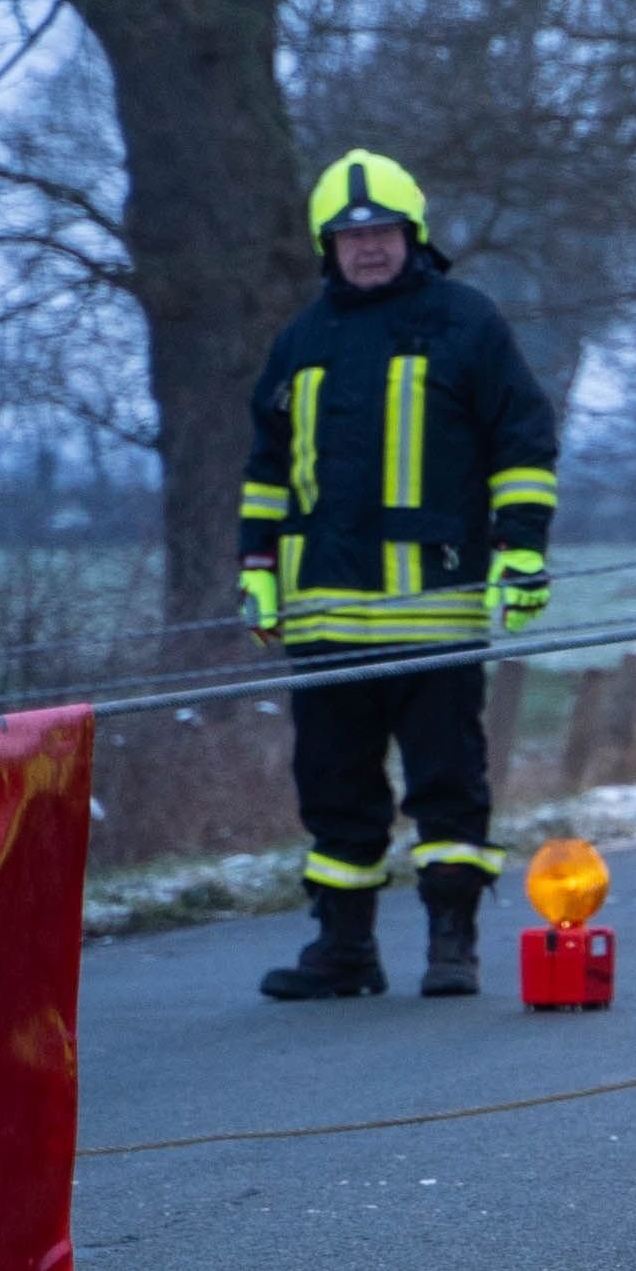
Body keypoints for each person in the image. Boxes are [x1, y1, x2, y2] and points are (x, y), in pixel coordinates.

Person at [241, 151, 559, 998]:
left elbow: (522, 444)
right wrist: (256, 568)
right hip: (322, 619)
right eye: (349, 236)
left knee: (447, 784)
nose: (367, 247)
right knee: (333, 788)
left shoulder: (467, 323)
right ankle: (345, 952)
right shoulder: (300, 341)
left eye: (381, 231)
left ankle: (451, 944)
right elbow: (267, 469)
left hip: (436, 610)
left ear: (412, 235)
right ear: (326, 247)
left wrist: (523, 549)